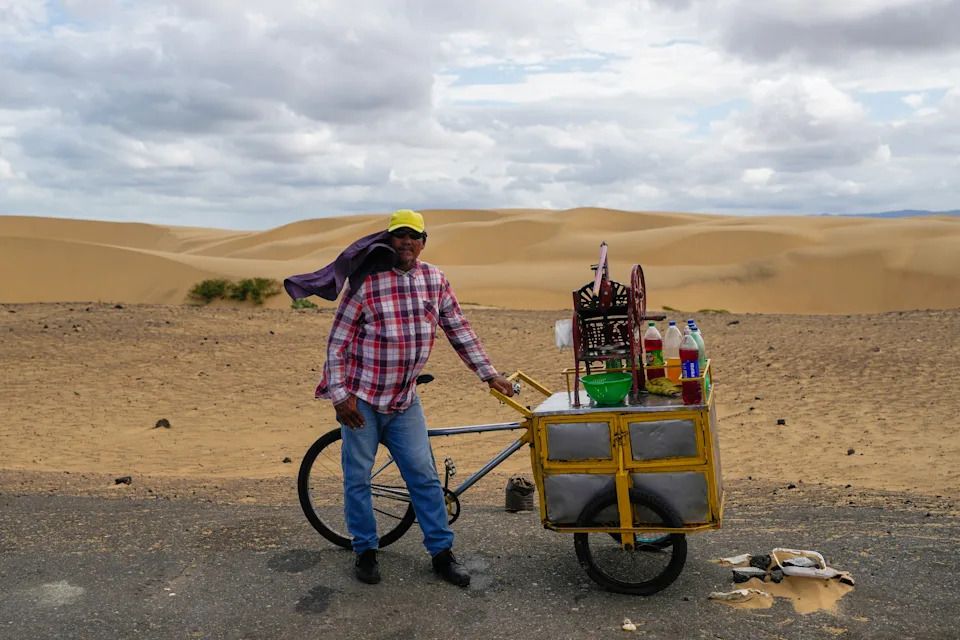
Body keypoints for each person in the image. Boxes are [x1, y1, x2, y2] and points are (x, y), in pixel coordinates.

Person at [315, 209, 515, 587]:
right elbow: (336, 342)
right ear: (388, 240)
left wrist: (488, 373)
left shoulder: (434, 280)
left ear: (424, 242)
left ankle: (441, 554)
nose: (407, 241)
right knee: (357, 479)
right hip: (362, 400)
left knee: (423, 478)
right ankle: (366, 551)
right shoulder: (366, 282)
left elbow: (458, 328)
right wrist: (340, 396)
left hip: (405, 400)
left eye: (415, 235)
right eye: (400, 234)